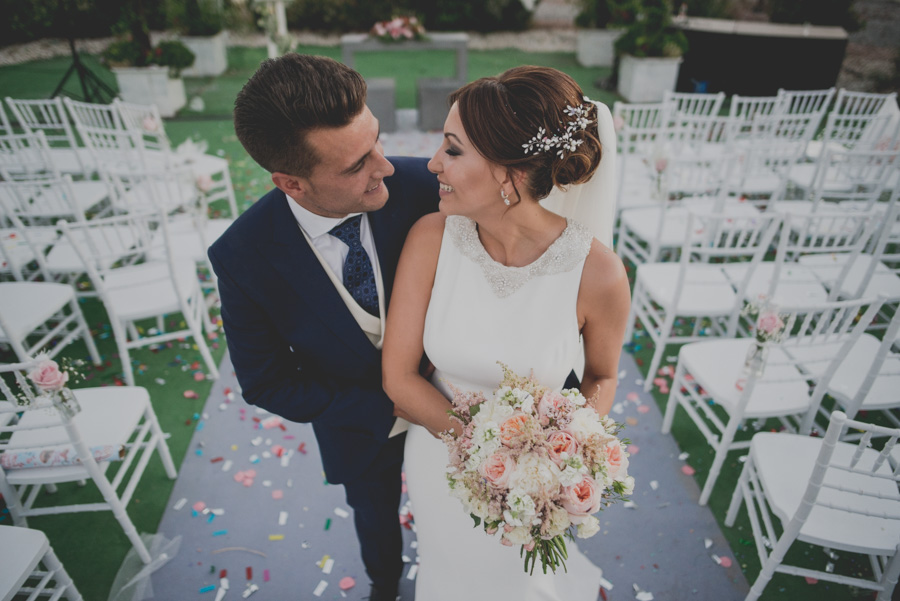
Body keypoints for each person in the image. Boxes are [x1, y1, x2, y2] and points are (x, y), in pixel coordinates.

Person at [382, 66, 631, 599]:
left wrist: (560, 459)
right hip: (440, 462)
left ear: (510, 172)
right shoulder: (430, 238)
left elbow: (603, 376)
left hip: (534, 486)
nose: (431, 164)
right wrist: (488, 461)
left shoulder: (598, 272)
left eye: (452, 149)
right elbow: (400, 378)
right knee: (448, 577)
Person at [207, 54, 439, 601]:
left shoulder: (425, 188)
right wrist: (388, 405)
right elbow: (266, 382)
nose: (383, 166)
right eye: (356, 165)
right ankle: (385, 585)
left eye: (377, 141)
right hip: (359, 432)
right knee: (376, 520)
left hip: (455, 405)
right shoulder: (242, 256)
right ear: (292, 183)